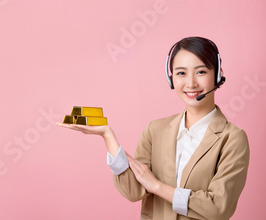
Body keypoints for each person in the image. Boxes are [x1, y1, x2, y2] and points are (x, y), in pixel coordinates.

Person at [57, 37, 249, 220]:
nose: (191, 83)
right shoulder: (155, 130)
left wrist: (157, 186)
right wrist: (108, 137)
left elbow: (218, 208)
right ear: (170, 78)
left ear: (217, 75)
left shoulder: (232, 138)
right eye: (181, 73)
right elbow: (133, 191)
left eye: (200, 72)